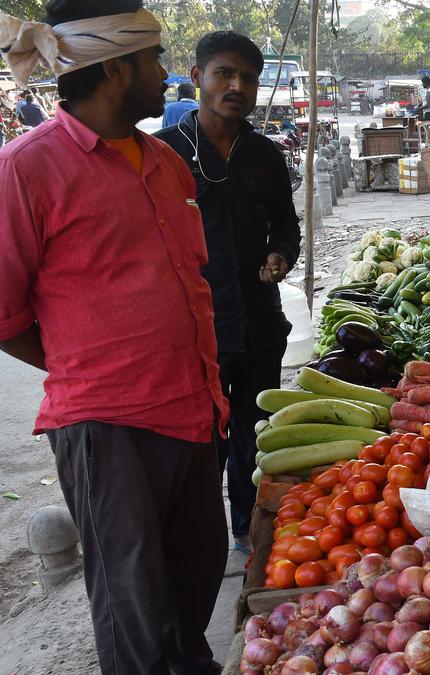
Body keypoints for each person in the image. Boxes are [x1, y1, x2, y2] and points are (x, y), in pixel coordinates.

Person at [0, 1, 229, 673]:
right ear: (113, 69)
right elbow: (4, 313)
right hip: (110, 429)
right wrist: (85, 365)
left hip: (195, 412)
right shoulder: (27, 168)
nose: (166, 75)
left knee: (193, 597)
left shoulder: (165, 162)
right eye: (154, 60)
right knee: (135, 614)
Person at [155, 32, 300, 554]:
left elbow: (286, 226)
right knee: (200, 443)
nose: (236, 86)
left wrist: (281, 255)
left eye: (249, 78)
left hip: (260, 323)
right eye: (224, 73)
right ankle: (200, 539)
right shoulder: (163, 155)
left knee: (254, 436)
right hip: (194, 332)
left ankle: (249, 529)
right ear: (197, 77)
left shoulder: (265, 155)